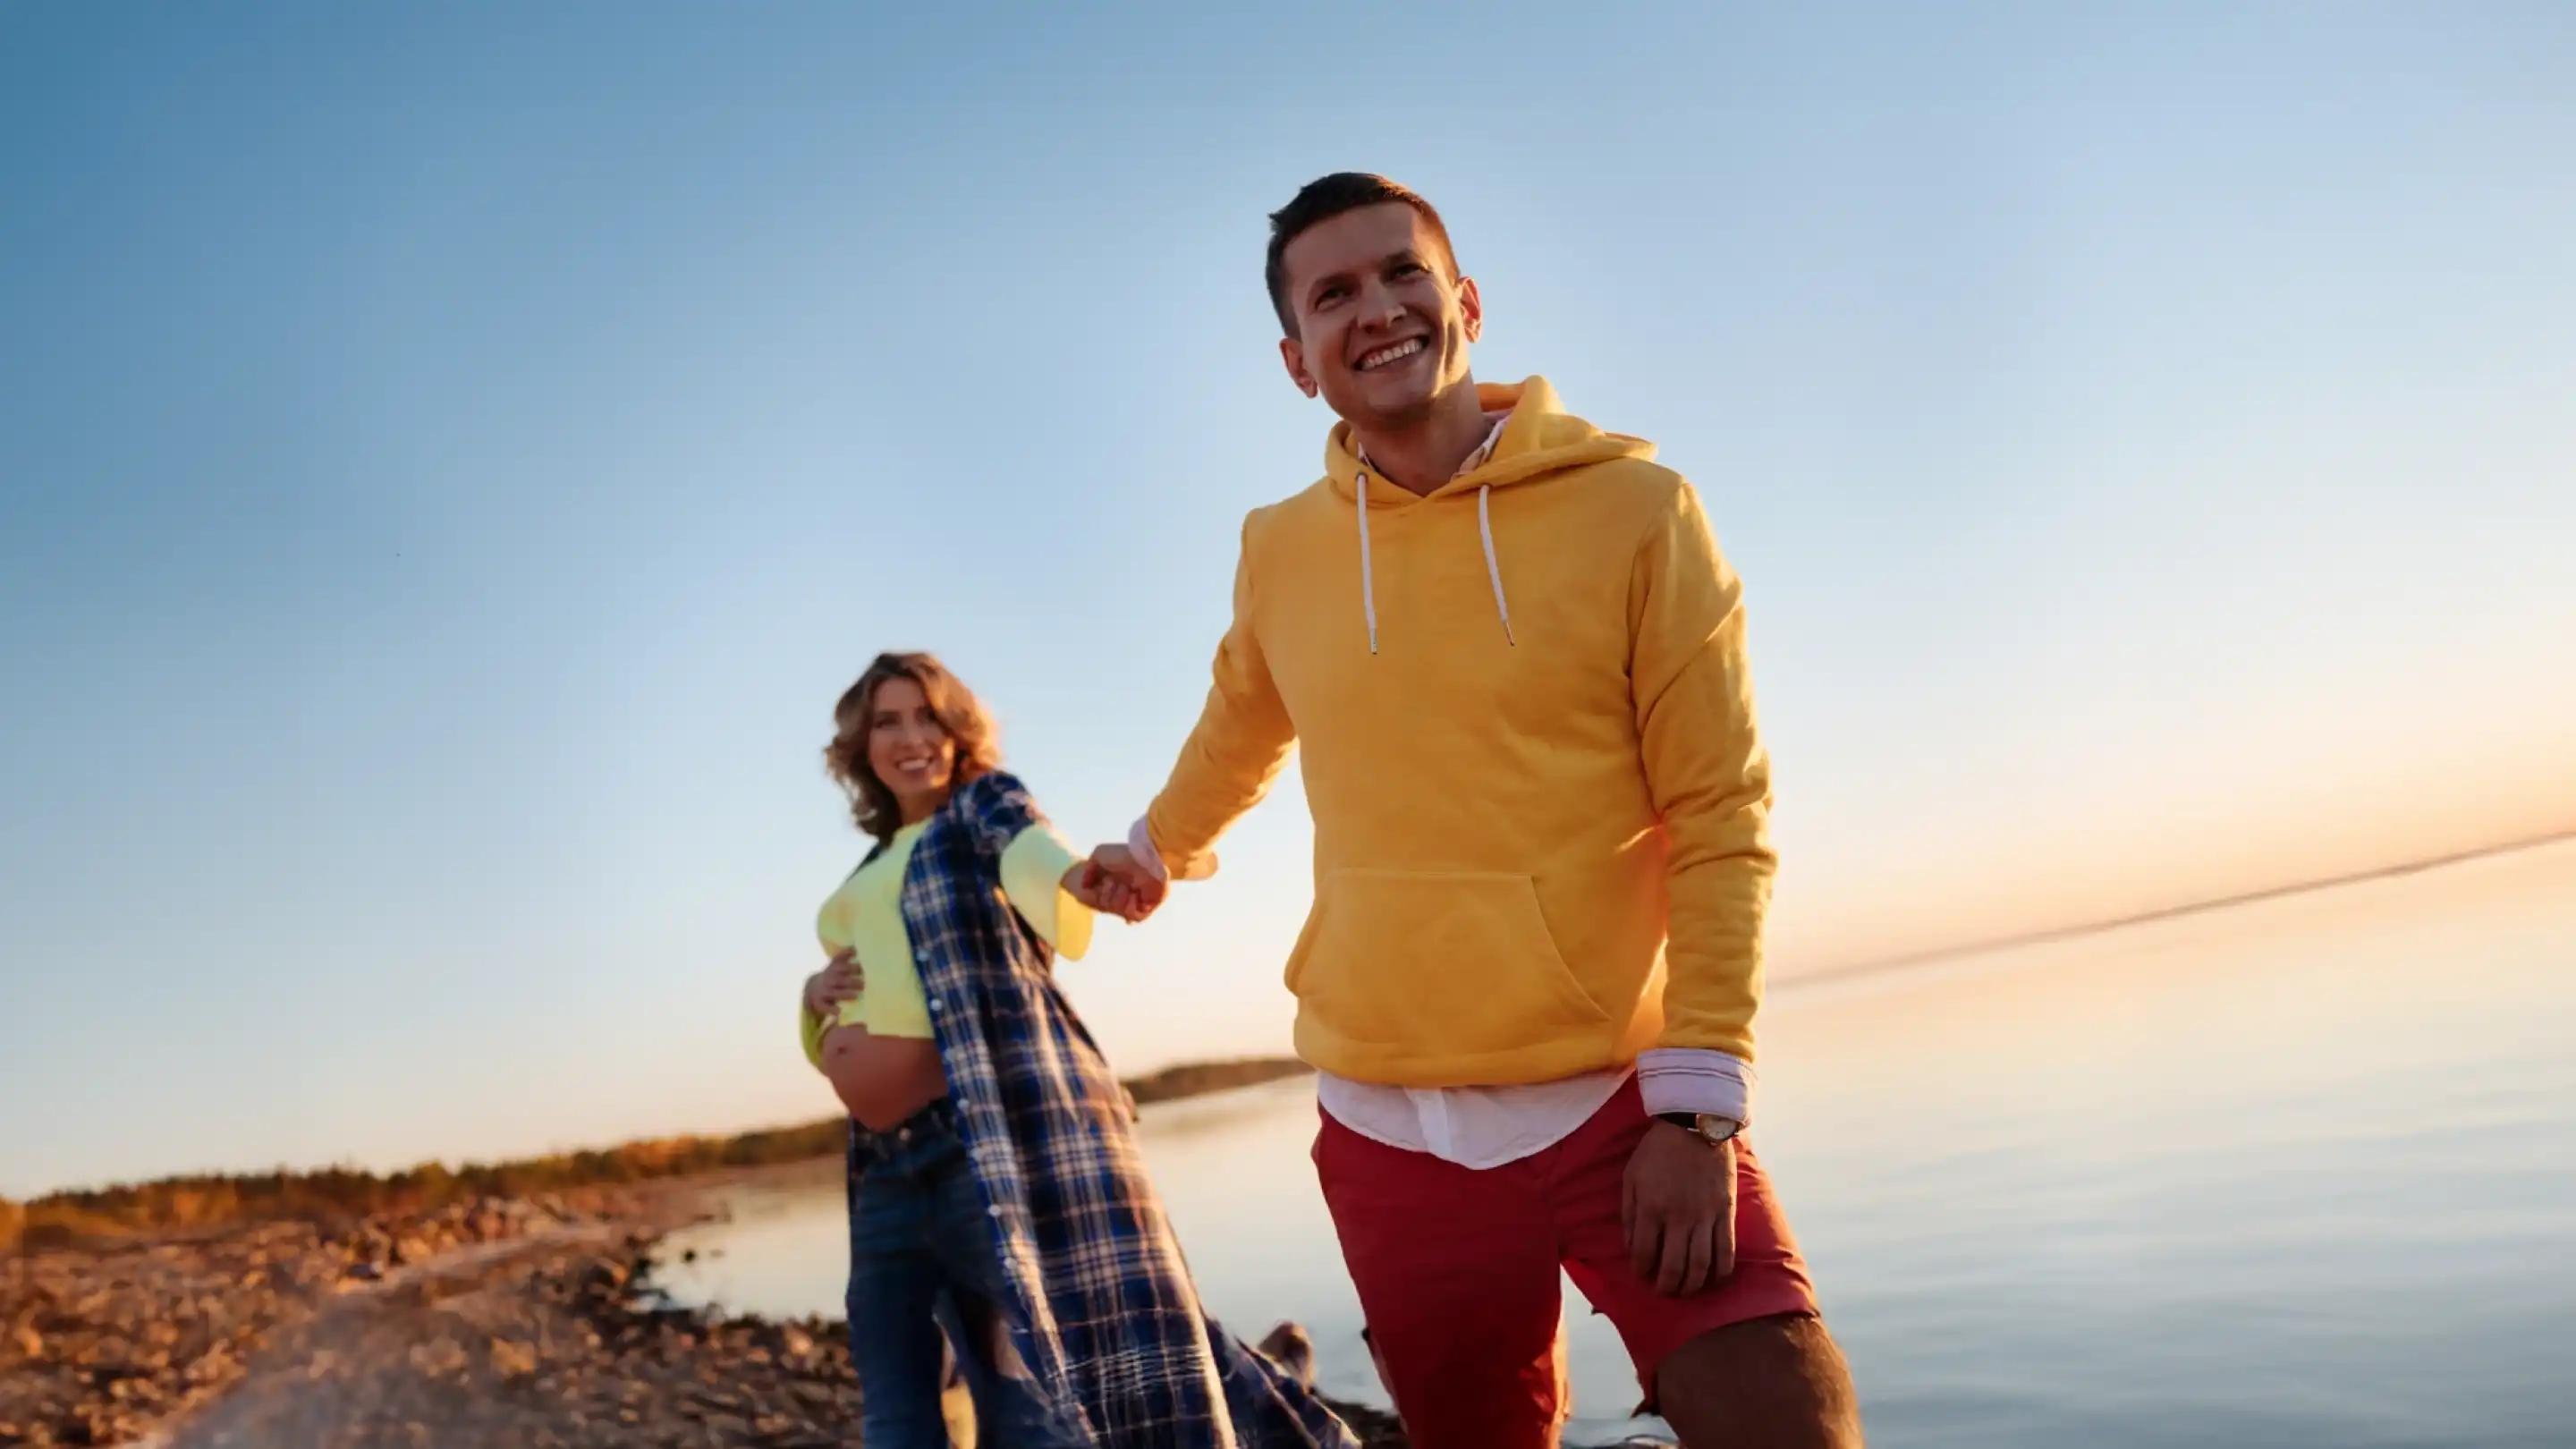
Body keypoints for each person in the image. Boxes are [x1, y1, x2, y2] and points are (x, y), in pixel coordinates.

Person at [1085, 175, 1866, 1448]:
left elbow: (1723, 811)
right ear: (1298, 362)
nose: (1377, 309)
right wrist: (1156, 847)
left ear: (1467, 302)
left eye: (1402, 273)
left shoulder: (1637, 512)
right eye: (1333, 294)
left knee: (1795, 1420)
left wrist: (1697, 1104)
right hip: (1390, 1129)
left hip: (1624, 1100)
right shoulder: (1280, 548)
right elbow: (1243, 716)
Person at [798, 651, 1356, 1449]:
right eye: (888, 721)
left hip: (984, 1150)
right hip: (881, 1173)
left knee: (1086, 1369)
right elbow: (847, 1003)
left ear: (959, 733)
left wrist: (1080, 881)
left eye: (929, 716)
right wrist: (810, 1001)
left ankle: (1281, 1408)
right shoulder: (862, 873)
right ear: (862, 744)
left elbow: (1033, 853)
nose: (911, 736)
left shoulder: (978, 809)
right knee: (894, 1406)